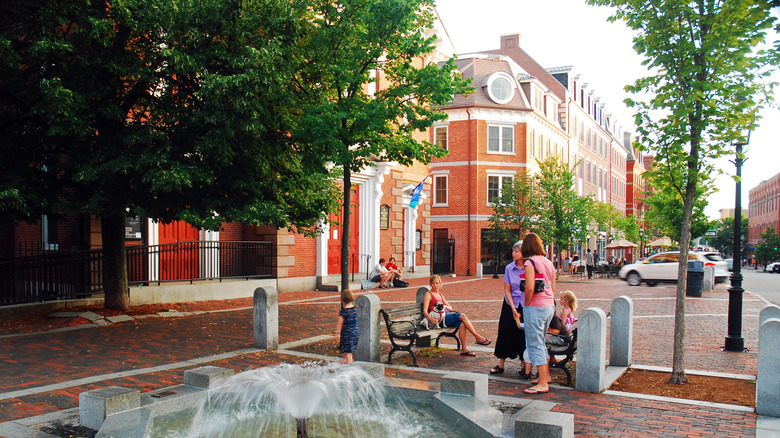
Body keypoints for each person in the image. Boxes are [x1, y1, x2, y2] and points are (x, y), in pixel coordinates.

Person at [521, 232, 556, 395]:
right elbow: (552, 287)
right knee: (541, 341)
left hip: (536, 306)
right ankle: (545, 376)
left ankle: (542, 382)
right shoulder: (548, 262)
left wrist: (526, 303)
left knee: (535, 342)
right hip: (549, 304)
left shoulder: (530, 263)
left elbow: (529, 287)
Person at [422, 275, 491, 357]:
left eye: (437, 283)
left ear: (440, 284)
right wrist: (429, 318)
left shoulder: (440, 295)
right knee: (462, 315)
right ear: (430, 284)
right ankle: (477, 337)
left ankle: (464, 349)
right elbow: (424, 310)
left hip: (446, 316)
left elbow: (450, 307)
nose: (435, 285)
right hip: (439, 320)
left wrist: (446, 307)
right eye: (433, 284)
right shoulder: (428, 294)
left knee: (462, 324)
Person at [490, 240, 529, 377]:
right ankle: (501, 363)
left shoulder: (529, 268)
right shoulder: (509, 268)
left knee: (523, 333)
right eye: (513, 251)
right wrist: (513, 308)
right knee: (505, 331)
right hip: (509, 303)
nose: (513, 253)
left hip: (525, 304)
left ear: (523, 253)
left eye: (516, 251)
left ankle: (524, 365)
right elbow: (507, 290)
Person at [335, 289, 359, 364]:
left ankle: (349, 364)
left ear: (342, 300)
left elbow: (340, 323)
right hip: (355, 333)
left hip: (347, 334)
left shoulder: (344, 312)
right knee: (348, 350)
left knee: (348, 351)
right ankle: (346, 361)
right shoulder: (355, 310)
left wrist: (337, 333)